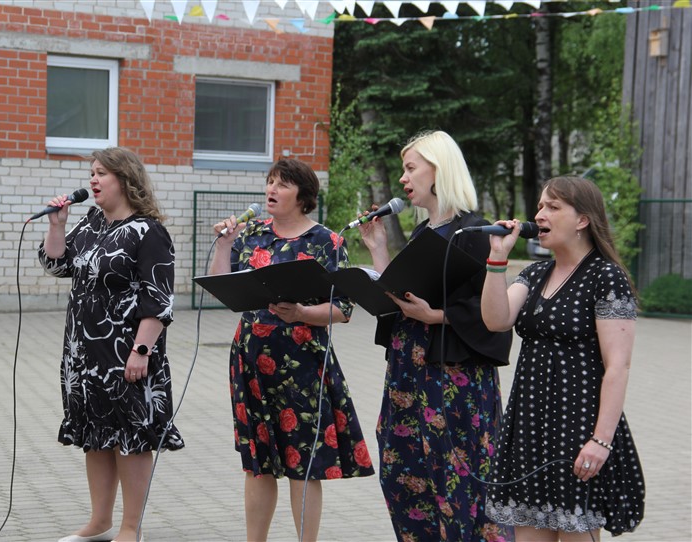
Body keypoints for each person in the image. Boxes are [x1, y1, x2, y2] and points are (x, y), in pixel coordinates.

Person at [208, 158, 374, 542]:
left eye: (282, 184)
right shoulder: (251, 234)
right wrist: (225, 244)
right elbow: (221, 287)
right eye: (270, 181)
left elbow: (343, 309)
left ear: (303, 196)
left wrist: (301, 313)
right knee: (257, 463)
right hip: (250, 359)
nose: (272, 189)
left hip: (303, 365)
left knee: (305, 462)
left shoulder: (327, 242)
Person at [358, 130, 514, 542]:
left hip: (453, 379)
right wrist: (378, 250)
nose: (403, 178)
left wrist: (437, 316)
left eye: (411, 168)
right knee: (404, 474)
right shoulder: (424, 232)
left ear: (438, 170)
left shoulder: (477, 233)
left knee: (458, 482)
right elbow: (404, 293)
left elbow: (493, 311)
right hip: (408, 372)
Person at [481, 176, 645, 540]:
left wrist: (601, 441)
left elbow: (618, 366)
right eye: (540, 206)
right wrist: (497, 258)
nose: (540, 214)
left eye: (553, 207)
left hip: (579, 427)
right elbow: (496, 319)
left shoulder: (606, 276)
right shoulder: (535, 273)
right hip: (529, 424)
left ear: (582, 219)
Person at [39, 147, 184, 542]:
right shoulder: (91, 223)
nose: (93, 179)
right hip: (83, 353)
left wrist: (142, 351)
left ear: (125, 179)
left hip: (127, 353)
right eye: (92, 172)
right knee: (95, 434)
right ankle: (99, 522)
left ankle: (130, 527)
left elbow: (159, 300)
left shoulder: (148, 232)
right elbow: (56, 265)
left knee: (130, 437)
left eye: (102, 173)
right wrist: (57, 225)